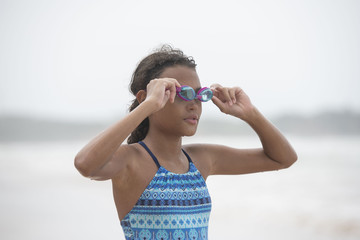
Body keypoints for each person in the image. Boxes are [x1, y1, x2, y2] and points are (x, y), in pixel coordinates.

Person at [74, 45, 297, 240]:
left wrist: (250, 114)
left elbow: (283, 158)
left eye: (200, 94)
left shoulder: (202, 159)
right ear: (148, 98)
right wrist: (148, 106)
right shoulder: (131, 160)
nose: (194, 104)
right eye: (182, 93)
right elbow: (85, 164)